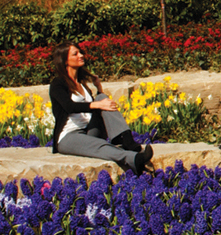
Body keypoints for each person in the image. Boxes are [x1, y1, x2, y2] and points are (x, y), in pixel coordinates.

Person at [49, 42, 152, 173]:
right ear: (64, 61)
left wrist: (99, 90)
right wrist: (98, 104)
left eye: (80, 52)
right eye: (75, 54)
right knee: (99, 146)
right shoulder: (57, 84)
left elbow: (97, 107)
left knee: (101, 98)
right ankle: (134, 159)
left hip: (89, 130)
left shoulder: (82, 85)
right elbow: (69, 106)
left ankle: (127, 140)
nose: (81, 55)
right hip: (69, 136)